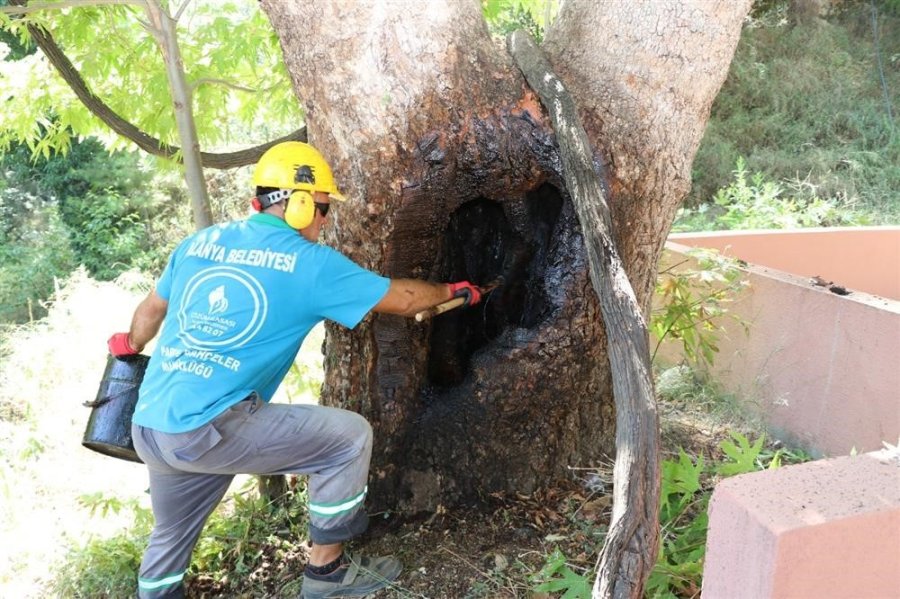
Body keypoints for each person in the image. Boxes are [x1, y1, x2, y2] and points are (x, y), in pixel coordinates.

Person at [107, 141, 482, 599]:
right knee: (348, 438)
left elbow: (150, 310)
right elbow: (403, 300)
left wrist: (129, 345)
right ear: (301, 204)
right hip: (210, 428)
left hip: (151, 424)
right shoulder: (309, 263)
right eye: (324, 209)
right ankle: (326, 577)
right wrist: (453, 290)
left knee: (169, 538)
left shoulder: (200, 243)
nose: (325, 222)